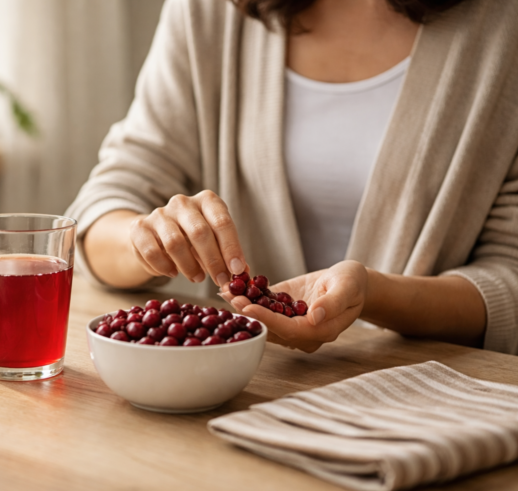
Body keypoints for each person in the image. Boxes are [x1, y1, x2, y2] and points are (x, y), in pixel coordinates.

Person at [65, 0, 518, 354]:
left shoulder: (503, 28)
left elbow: (509, 278)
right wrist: (148, 240)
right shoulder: (212, 12)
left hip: (426, 403)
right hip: (244, 399)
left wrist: (374, 295)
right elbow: (101, 209)